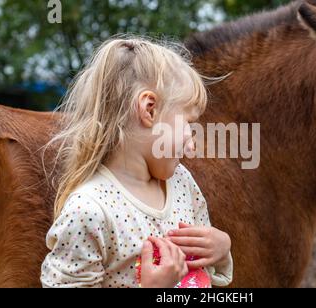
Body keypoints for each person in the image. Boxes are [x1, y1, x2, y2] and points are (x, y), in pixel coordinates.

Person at [40, 36, 233, 288]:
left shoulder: (182, 182)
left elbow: (198, 274)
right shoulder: (89, 211)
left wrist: (221, 250)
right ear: (149, 109)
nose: (192, 144)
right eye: (189, 124)